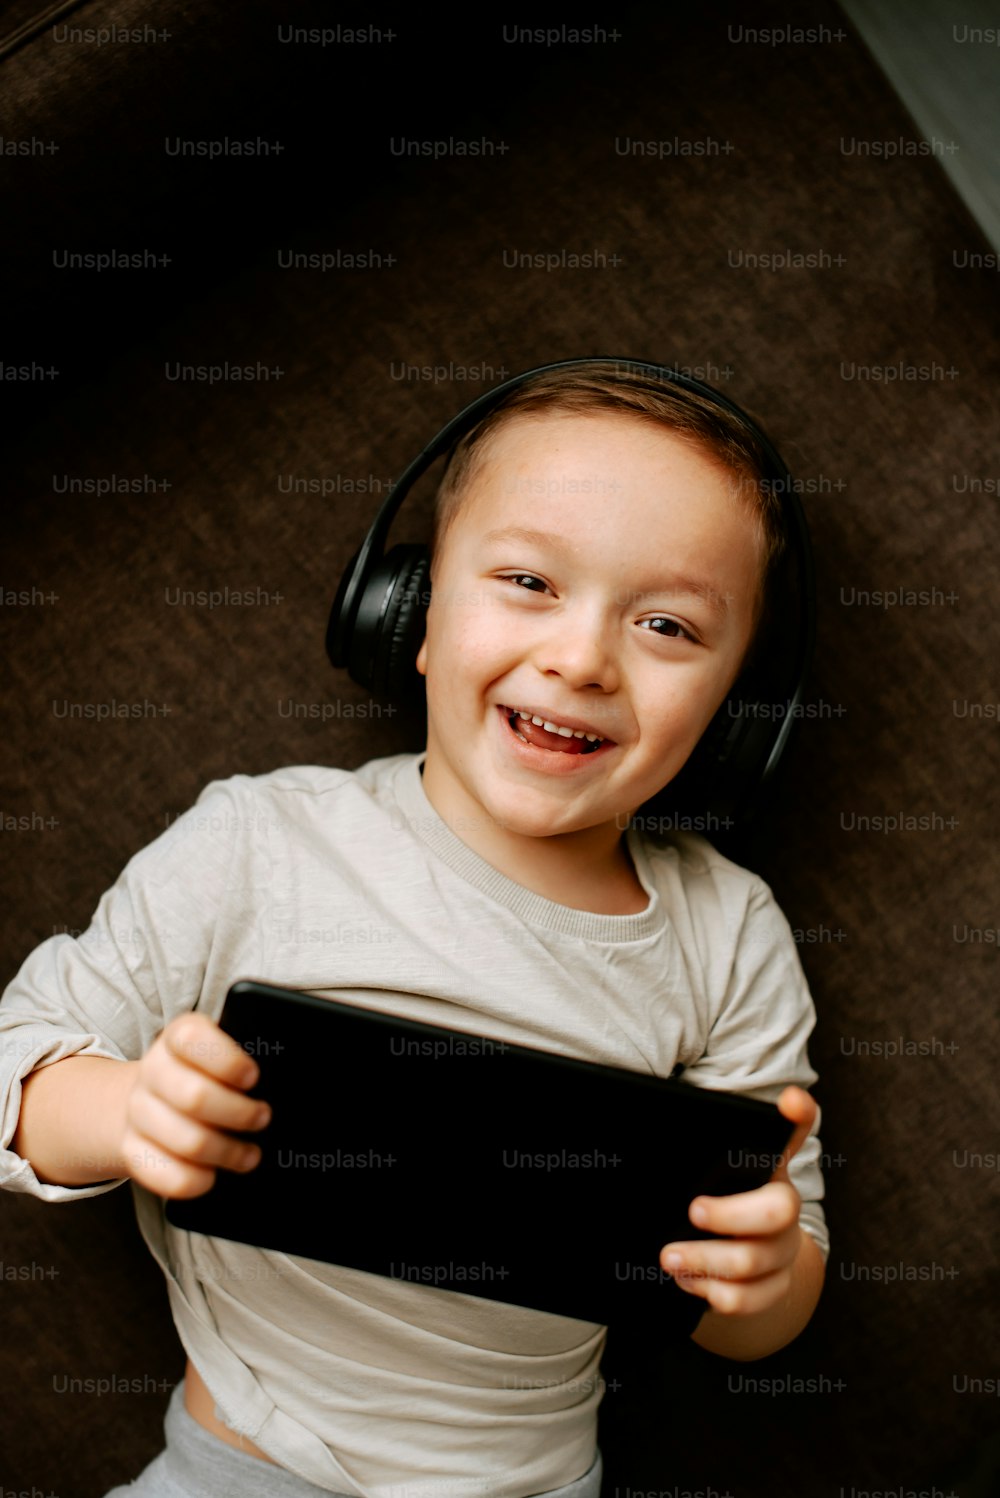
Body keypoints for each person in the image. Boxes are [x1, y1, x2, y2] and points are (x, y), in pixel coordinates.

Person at [0, 361, 828, 1498]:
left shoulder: (726, 936)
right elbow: (17, 1066)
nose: (581, 659)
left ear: (732, 719)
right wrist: (127, 1109)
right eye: (530, 580)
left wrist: (762, 1274)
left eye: (666, 624)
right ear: (409, 613)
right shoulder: (262, 842)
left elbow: (762, 1310)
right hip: (239, 1467)